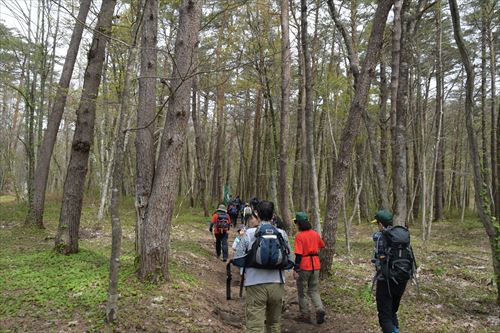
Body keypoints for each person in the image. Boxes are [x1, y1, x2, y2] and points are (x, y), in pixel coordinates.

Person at [234, 201, 292, 333]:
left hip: (255, 284)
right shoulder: (281, 233)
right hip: (277, 283)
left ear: (258, 215)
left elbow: (237, 257)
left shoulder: (249, 233)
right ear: (273, 216)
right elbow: (289, 259)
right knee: (274, 324)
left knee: (255, 327)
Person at [371, 210, 410, 333]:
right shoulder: (401, 236)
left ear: (381, 224)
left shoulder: (380, 237)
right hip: (402, 279)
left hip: (385, 280)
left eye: (377, 223)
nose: (377, 226)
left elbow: (378, 258)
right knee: (392, 311)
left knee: (384, 316)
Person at [292, 212, 326, 325]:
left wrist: (296, 269)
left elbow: (298, 254)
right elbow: (322, 245)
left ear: (299, 224)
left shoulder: (299, 236)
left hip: (304, 265)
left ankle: (305, 314)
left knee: (302, 291)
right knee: (314, 290)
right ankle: (319, 308)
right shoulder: (315, 234)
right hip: (315, 265)